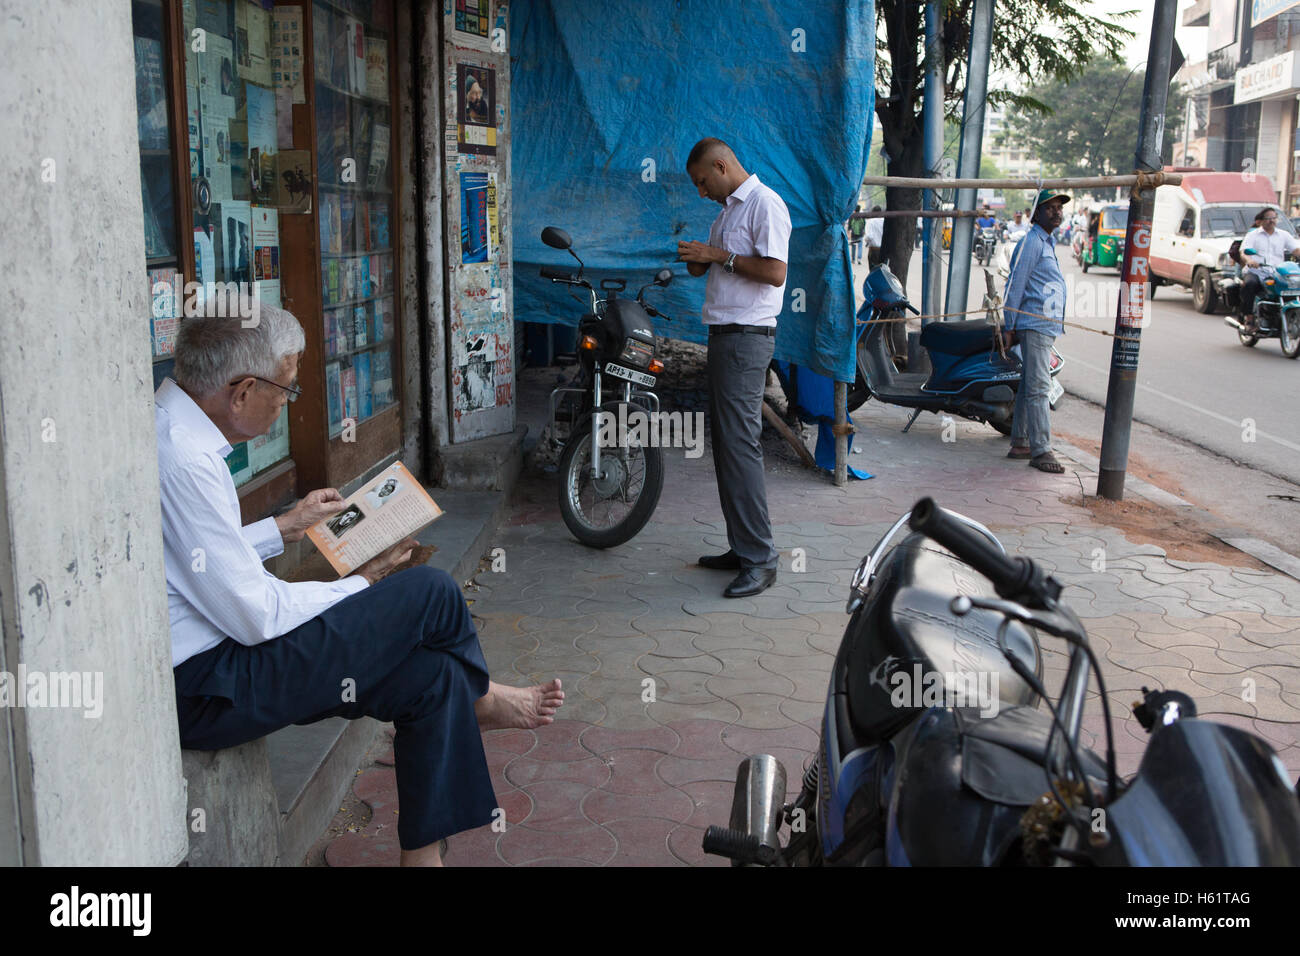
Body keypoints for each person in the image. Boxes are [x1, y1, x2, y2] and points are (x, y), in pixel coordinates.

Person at [158, 308, 564, 867]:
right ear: (243, 390)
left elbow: (200, 562)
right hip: (212, 685)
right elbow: (256, 614)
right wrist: (358, 585)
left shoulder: (174, 431)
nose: (286, 403)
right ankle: (484, 697)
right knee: (430, 593)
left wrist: (284, 525)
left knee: (433, 676)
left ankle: (421, 859)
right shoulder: (185, 459)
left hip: (219, 661)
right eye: (286, 388)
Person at [677, 137, 790, 598]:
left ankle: (761, 559)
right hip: (726, 337)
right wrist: (701, 261)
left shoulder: (765, 204)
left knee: (740, 446)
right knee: (726, 446)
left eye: (704, 182)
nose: (702, 193)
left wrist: (716, 256)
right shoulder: (727, 213)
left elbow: (776, 272)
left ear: (722, 166)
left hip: (747, 339)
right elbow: (725, 266)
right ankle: (742, 547)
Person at [1002, 190, 1069, 474]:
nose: (1056, 212)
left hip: (1044, 326)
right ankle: (1041, 449)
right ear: (1035, 214)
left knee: (1030, 384)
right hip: (1035, 325)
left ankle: (1020, 442)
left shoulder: (1047, 242)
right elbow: (1016, 284)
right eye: (1050, 208)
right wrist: (1009, 325)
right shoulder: (1032, 242)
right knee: (1041, 387)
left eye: (1059, 208)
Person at [1237, 207, 1300, 330]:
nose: (1271, 221)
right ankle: (1249, 318)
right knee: (1249, 284)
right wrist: (1249, 260)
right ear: (1260, 221)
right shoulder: (1253, 235)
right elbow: (1243, 252)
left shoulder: (1284, 235)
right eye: (1268, 218)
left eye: (1274, 218)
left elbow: (1296, 250)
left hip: (1277, 272)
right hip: (1256, 271)